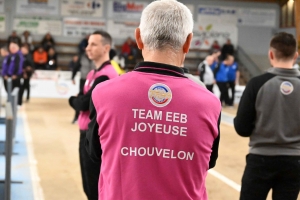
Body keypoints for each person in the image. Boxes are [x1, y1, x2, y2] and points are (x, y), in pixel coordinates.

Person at [86, 1, 221, 199]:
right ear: (188, 42)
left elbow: (95, 153)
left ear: (138, 38)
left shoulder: (103, 93)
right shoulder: (210, 103)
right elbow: (209, 161)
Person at [234, 32, 300, 200]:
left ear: (271, 54)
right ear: (296, 56)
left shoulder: (257, 84)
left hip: (260, 159)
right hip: (294, 162)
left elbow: (242, 128)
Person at [68, 30, 118, 200]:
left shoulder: (107, 75)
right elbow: (83, 101)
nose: (88, 48)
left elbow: (83, 103)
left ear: (106, 48)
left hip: (96, 137)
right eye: (88, 44)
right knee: (88, 186)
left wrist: (73, 101)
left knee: (94, 188)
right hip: (85, 133)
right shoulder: (92, 74)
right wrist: (78, 101)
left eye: (93, 44)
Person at [71, 53, 94, 124]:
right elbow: (76, 67)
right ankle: (76, 117)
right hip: (83, 80)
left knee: (92, 98)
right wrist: (73, 77)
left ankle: (91, 118)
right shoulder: (82, 58)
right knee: (81, 97)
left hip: (93, 80)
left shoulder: (95, 57)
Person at [1, 39, 24, 105]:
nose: (12, 49)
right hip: (8, 76)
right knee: (9, 90)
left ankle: (16, 104)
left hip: (15, 77)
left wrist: (16, 75)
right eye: (11, 47)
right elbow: (6, 66)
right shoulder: (9, 56)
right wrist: (4, 74)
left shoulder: (18, 55)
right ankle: (10, 103)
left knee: (15, 91)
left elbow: (18, 66)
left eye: (14, 47)